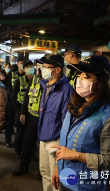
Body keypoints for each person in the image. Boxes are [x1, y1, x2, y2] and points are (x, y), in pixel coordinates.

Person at [52, 55, 110, 191]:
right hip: (66, 177)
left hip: (87, 186)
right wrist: (58, 168)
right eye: (79, 75)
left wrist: (77, 155)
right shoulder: (74, 105)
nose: (80, 80)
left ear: (100, 82)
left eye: (87, 77)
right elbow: (65, 143)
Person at [37, 54, 73, 191]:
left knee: (56, 178)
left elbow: (66, 121)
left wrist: (62, 143)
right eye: (43, 67)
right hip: (43, 137)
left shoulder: (66, 90)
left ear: (57, 70)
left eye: (47, 67)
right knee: (45, 173)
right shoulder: (46, 85)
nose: (43, 70)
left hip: (55, 141)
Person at [12, 58, 42, 179]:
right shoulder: (34, 79)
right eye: (38, 65)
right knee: (28, 143)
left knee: (42, 146)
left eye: (41, 66)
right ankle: (24, 166)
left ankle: (42, 171)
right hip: (31, 117)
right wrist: (23, 113)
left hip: (44, 119)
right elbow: (27, 97)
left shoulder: (49, 81)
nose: (38, 68)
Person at [12, 60, 34, 159]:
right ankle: (18, 150)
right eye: (27, 67)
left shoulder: (36, 81)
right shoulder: (19, 81)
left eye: (31, 66)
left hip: (32, 109)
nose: (30, 68)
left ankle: (30, 151)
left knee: (30, 133)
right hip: (20, 108)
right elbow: (13, 96)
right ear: (24, 69)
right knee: (20, 131)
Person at [0, 68, 13, 147]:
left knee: (8, 124)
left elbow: (11, 93)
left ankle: (8, 140)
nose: (3, 77)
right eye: (1, 75)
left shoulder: (8, 83)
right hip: (0, 107)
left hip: (8, 106)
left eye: (4, 75)